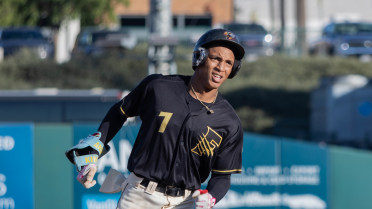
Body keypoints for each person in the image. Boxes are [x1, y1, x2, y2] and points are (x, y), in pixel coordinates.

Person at [66, 28, 245, 209]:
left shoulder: (230, 122)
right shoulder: (159, 87)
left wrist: (212, 197)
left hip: (184, 202)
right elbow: (119, 112)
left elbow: (222, 176)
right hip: (139, 196)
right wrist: (95, 148)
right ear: (199, 56)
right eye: (216, 58)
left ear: (234, 69)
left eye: (229, 63)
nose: (221, 68)